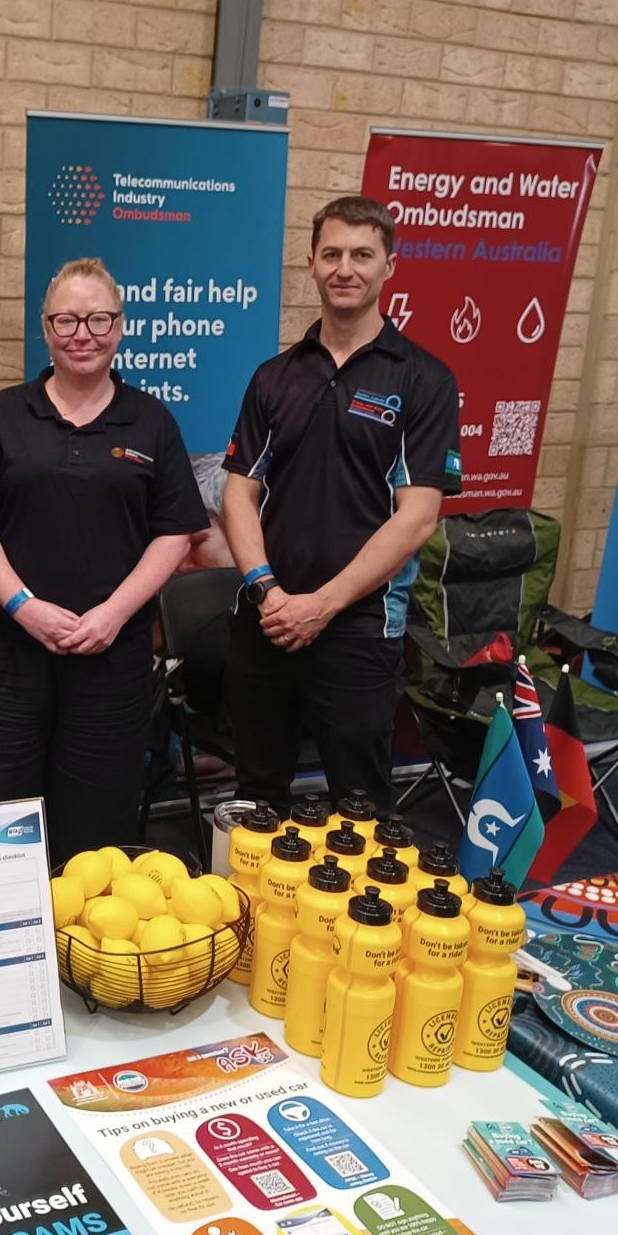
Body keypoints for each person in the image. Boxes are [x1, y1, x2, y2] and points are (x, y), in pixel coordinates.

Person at [0, 258, 206, 863]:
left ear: (120, 327)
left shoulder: (151, 421)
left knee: (93, 832)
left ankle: (79, 929)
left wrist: (114, 615)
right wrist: (24, 607)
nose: (83, 334)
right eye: (66, 320)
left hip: (111, 660)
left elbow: (175, 534)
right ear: (46, 330)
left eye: (98, 319)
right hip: (9, 655)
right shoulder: (4, 415)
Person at [222, 196, 462, 805]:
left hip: (360, 626)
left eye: (362, 255)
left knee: (359, 804)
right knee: (257, 796)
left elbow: (417, 518)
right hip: (268, 618)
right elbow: (239, 492)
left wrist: (322, 606)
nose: (345, 269)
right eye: (331, 254)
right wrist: (267, 591)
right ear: (311, 263)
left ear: (389, 266)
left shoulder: (424, 379)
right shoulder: (274, 376)